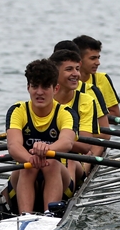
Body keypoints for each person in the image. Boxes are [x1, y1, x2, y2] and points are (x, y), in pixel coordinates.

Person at [5, 59, 76, 216]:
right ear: (28, 87)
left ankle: (49, 214)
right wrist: (30, 159)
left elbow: (67, 142)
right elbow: (14, 146)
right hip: (24, 176)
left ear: (55, 89)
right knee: (28, 165)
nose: (39, 92)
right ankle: (25, 217)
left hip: (61, 181)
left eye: (45, 87)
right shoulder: (18, 110)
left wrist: (47, 149)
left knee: (50, 162)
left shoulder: (66, 113)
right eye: (35, 86)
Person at [50, 46, 105, 182]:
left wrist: (49, 141)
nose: (76, 74)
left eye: (77, 69)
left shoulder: (87, 99)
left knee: (70, 159)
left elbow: (85, 145)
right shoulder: (42, 98)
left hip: (73, 161)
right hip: (44, 159)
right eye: (69, 69)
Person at [71, 34, 120, 118]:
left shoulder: (102, 79)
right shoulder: (65, 81)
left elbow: (115, 115)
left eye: (98, 58)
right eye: (93, 58)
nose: (98, 63)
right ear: (78, 60)